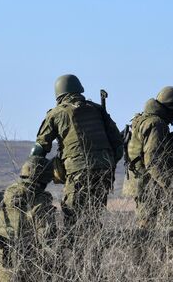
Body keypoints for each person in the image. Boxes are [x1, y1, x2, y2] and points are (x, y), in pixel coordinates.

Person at [32, 74, 123, 231]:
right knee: (93, 214)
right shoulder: (97, 109)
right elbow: (118, 145)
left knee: (72, 214)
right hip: (104, 170)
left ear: (59, 94)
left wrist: (30, 176)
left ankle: (78, 252)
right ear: (79, 89)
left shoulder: (56, 114)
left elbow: (40, 148)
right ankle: (94, 249)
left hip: (77, 171)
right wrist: (107, 162)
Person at [125, 86, 173, 232]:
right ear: (168, 107)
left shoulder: (142, 119)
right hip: (149, 185)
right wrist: (167, 186)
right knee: (149, 230)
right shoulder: (157, 124)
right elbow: (153, 161)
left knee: (148, 226)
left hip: (143, 181)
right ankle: (144, 255)